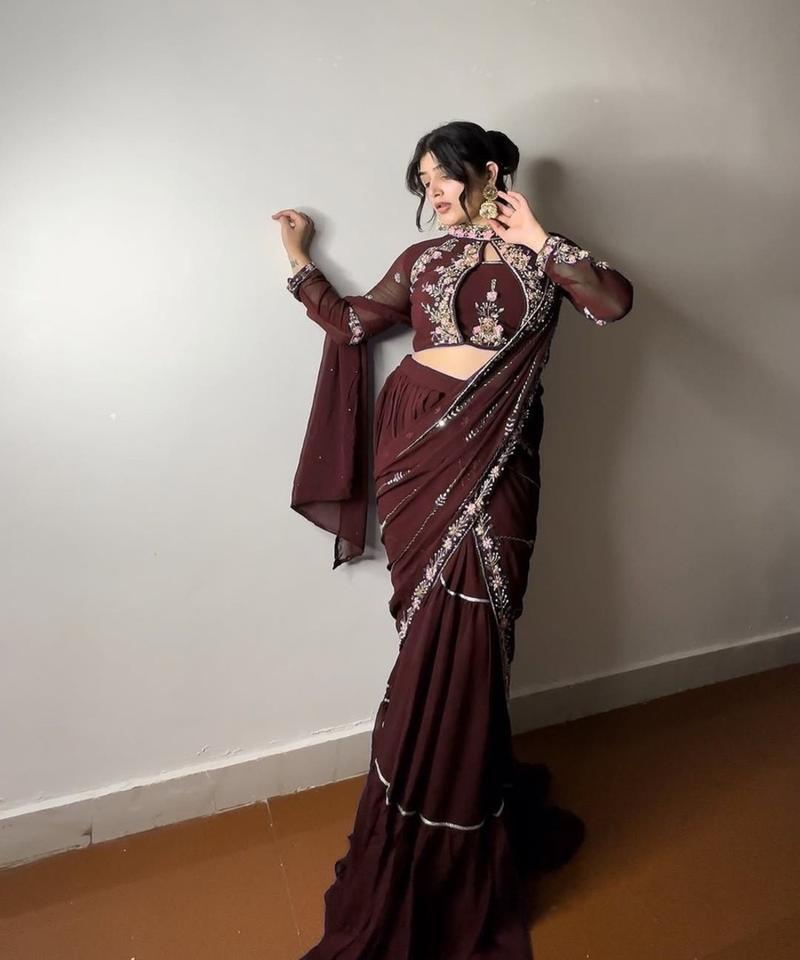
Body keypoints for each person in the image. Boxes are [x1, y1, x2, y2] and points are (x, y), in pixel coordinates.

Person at [272, 120, 633, 960]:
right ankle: (421, 826)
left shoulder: (549, 258)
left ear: (489, 172)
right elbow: (352, 327)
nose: (431, 192)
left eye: (441, 176)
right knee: (429, 640)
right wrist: (296, 257)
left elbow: (613, 304)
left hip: (500, 461)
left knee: (473, 643)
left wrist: (539, 237)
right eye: (423, 182)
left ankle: (463, 820)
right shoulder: (422, 260)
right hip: (417, 461)